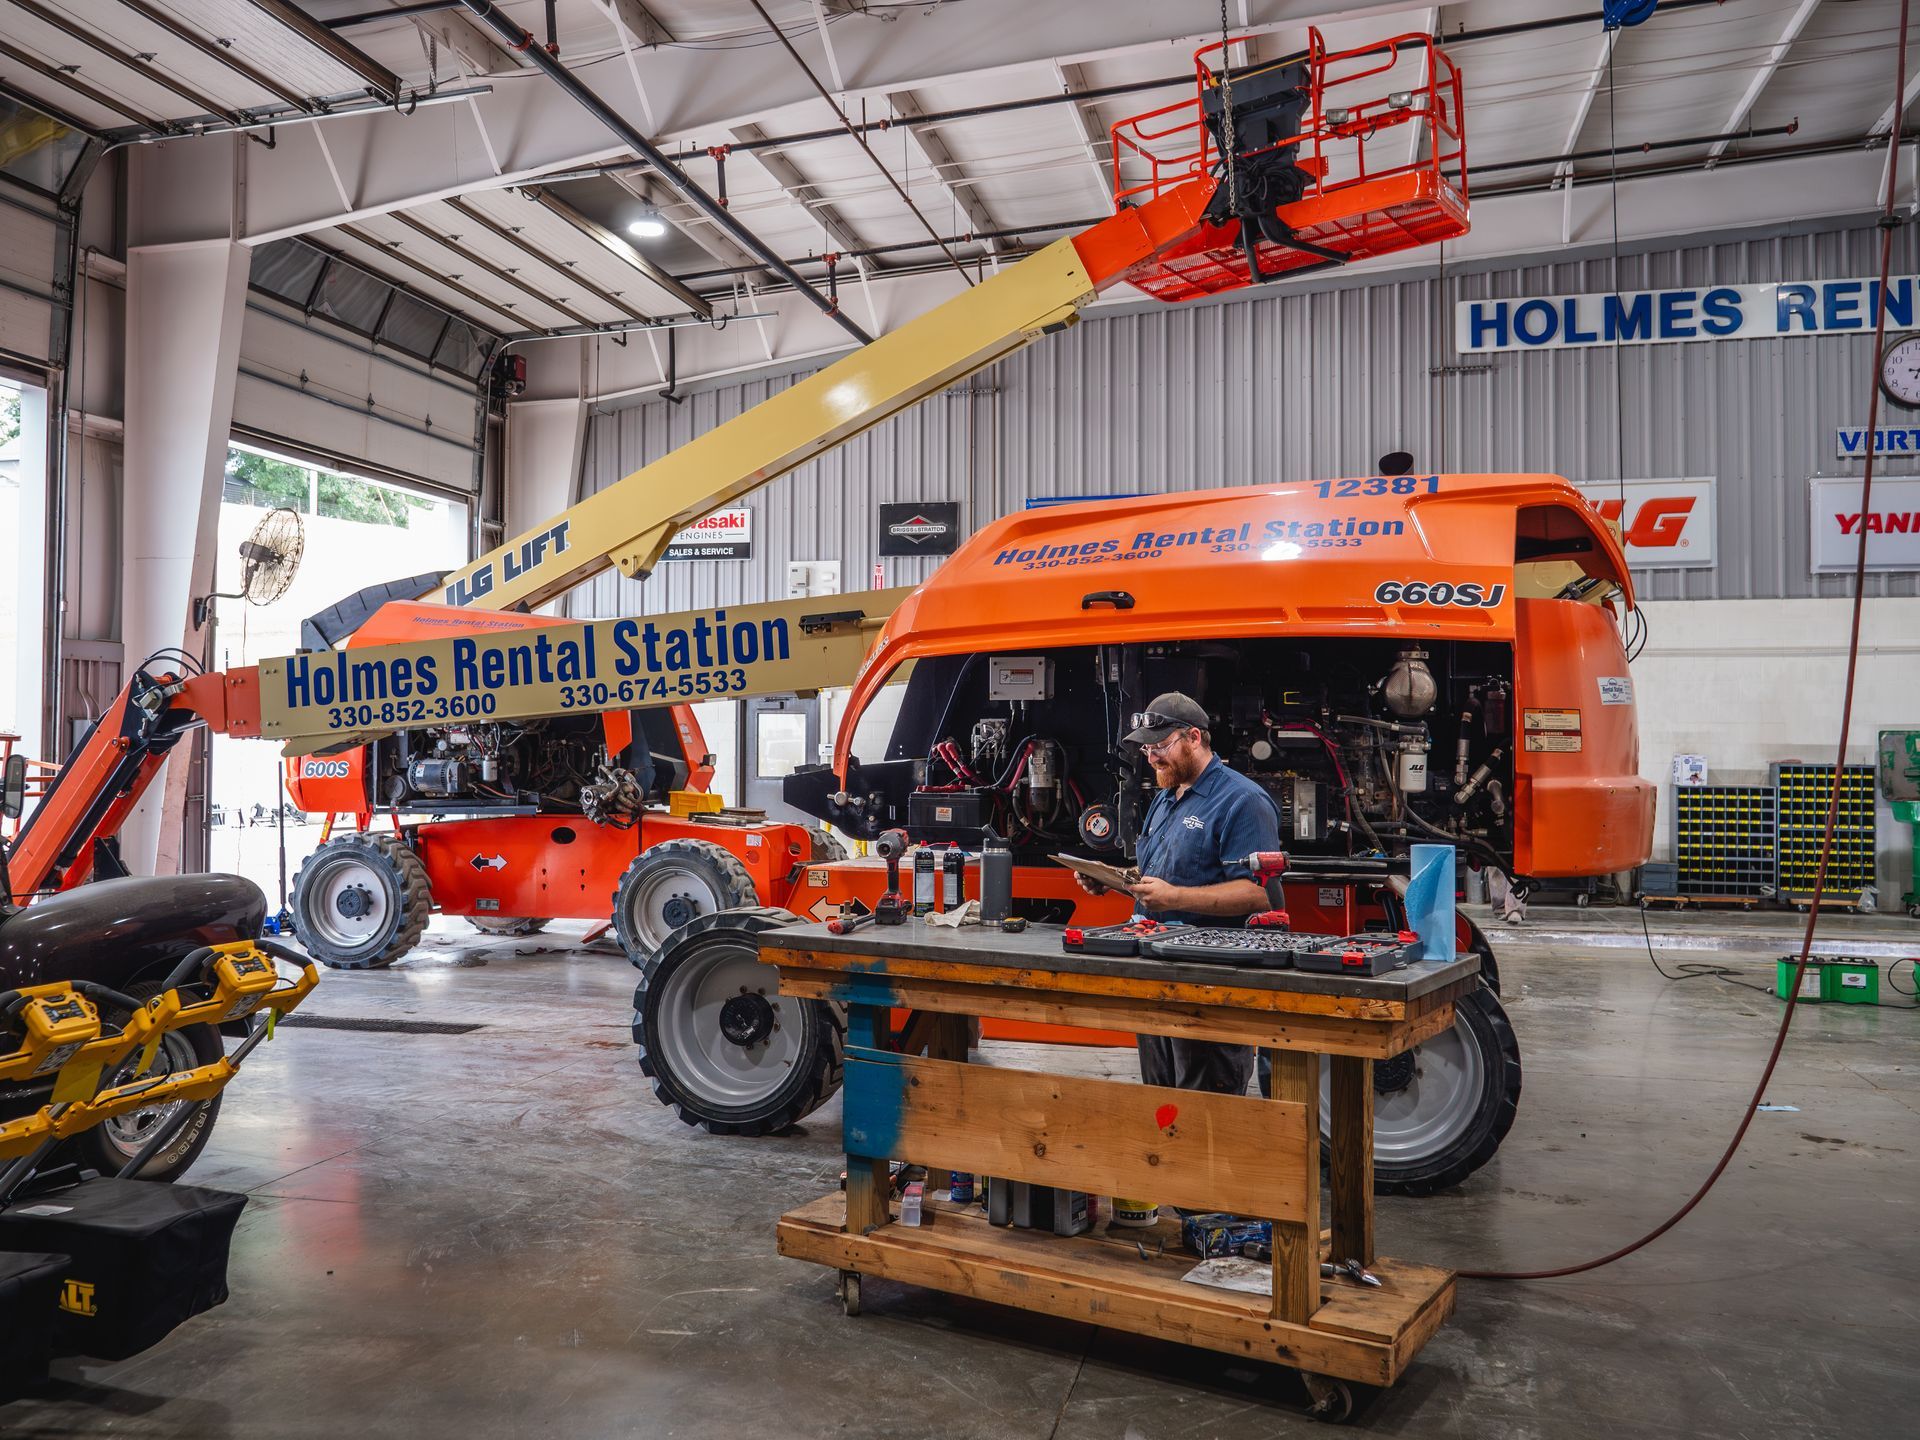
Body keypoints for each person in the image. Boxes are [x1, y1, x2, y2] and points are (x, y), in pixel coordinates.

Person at [1073, 691, 1282, 1096]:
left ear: (1194, 738)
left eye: (1161, 746)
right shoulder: (1167, 798)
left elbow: (1262, 897)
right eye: (1147, 748)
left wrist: (1175, 898)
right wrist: (1113, 879)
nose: (1151, 758)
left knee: (1208, 1111)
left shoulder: (1243, 801)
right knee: (1162, 1105)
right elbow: (1160, 878)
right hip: (1155, 978)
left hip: (1210, 986)